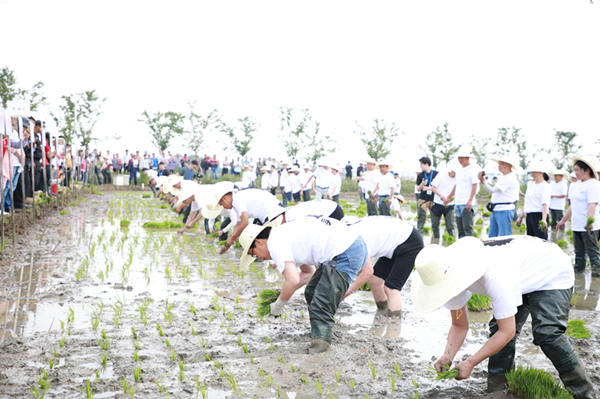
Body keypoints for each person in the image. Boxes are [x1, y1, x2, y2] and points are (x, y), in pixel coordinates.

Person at [411, 235, 594, 399]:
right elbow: (459, 325)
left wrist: (471, 362)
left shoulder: (493, 273)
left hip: (550, 270)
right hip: (518, 273)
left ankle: (583, 392)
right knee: (497, 328)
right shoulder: (445, 277)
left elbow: (508, 331)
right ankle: (498, 389)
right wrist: (447, 355)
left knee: (547, 333)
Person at [239, 216, 372, 354]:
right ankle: (319, 332)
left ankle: (319, 351)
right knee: (312, 292)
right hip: (351, 245)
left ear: (259, 242)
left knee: (322, 303)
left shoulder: (274, 242)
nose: (258, 258)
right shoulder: (284, 234)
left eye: (253, 254)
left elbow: (293, 280)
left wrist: (279, 305)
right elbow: (308, 273)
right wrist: (283, 293)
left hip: (345, 251)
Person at [349, 216, 424, 317]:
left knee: (391, 288)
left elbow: (367, 271)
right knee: (374, 280)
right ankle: (383, 310)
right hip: (394, 242)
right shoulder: (350, 232)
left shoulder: (357, 240)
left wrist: (347, 292)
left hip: (410, 242)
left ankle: (394, 322)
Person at [203, 181, 280, 254]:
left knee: (259, 242)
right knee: (257, 240)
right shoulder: (236, 203)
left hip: (272, 210)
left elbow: (245, 222)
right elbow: (238, 224)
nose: (224, 207)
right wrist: (230, 241)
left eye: (222, 204)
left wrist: (232, 239)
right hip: (264, 215)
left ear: (224, 198)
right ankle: (261, 262)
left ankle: (270, 262)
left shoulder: (237, 199)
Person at [557, 156, 600, 276]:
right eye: (574, 170)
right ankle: (578, 273)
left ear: (586, 170)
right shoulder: (577, 185)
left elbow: (593, 204)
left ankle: (597, 278)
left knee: (592, 253)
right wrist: (563, 220)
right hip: (577, 225)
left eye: (577, 170)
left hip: (589, 226)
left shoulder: (593, 184)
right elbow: (572, 206)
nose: (575, 173)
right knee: (579, 253)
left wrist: (589, 222)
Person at [478, 155, 521, 238]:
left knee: (505, 238)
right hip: (497, 210)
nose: (499, 166)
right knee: (492, 238)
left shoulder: (509, 177)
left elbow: (492, 190)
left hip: (504, 211)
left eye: (502, 164)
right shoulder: (503, 177)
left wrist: (483, 182)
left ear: (509, 165)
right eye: (499, 164)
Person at [444, 147, 480, 238]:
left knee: (467, 228)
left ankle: (469, 249)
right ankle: (461, 249)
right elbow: (457, 185)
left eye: (463, 157)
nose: (460, 160)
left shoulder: (472, 169)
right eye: (459, 157)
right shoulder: (459, 170)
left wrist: (470, 200)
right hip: (458, 203)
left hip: (466, 203)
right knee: (460, 228)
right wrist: (449, 197)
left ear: (468, 158)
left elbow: (475, 185)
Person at [517, 161, 551, 239]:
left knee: (541, 241)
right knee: (531, 241)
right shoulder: (530, 184)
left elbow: (545, 204)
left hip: (539, 215)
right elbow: (527, 202)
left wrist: (543, 219)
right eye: (532, 172)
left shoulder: (545, 186)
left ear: (542, 172)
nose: (533, 174)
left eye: (535, 172)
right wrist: (521, 217)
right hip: (529, 216)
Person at [429, 166, 457, 239]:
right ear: (452, 171)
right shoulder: (441, 175)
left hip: (449, 205)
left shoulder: (458, 178)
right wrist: (440, 195)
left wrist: (452, 197)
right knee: (435, 225)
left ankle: (451, 240)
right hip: (437, 203)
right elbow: (433, 187)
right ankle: (435, 240)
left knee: (450, 225)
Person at [268, 199, 344, 224]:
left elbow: (310, 225)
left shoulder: (291, 217)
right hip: (331, 205)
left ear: (279, 217)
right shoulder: (289, 212)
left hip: (333, 211)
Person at [415, 156, 439, 234]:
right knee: (421, 218)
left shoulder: (436, 174)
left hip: (433, 199)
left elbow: (439, 187)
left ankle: (435, 237)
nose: (420, 166)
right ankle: (419, 236)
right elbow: (418, 189)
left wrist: (428, 188)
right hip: (422, 199)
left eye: (421, 164)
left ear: (426, 164)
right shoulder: (420, 175)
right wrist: (422, 184)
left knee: (434, 219)